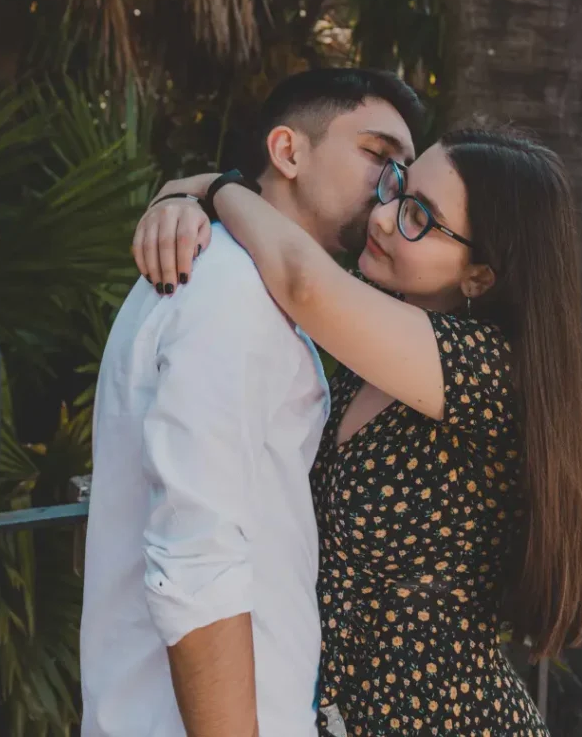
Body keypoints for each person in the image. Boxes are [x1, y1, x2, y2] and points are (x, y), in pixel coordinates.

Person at [134, 127, 582, 737]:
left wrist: (213, 187)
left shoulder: (488, 368)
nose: (382, 218)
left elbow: (302, 280)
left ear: (480, 276)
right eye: (398, 189)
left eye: (418, 217)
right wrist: (179, 203)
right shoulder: (369, 359)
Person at [79, 68, 424, 737]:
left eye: (403, 177)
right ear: (288, 151)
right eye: (378, 157)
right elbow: (196, 561)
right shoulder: (231, 294)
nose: (390, 194)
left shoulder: (235, 282)